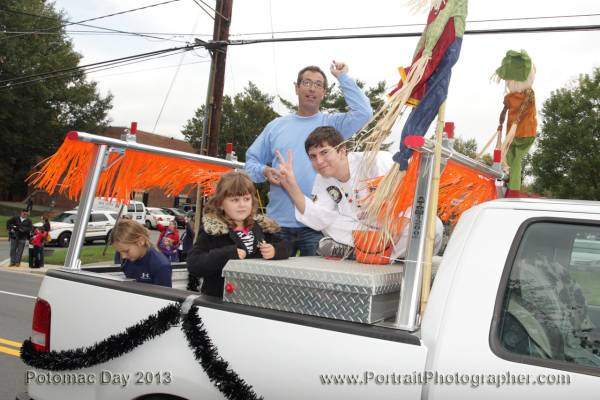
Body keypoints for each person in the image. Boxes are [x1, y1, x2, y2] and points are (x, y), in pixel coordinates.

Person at [245, 61, 373, 256]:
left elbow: (364, 113)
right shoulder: (276, 126)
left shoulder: (332, 126)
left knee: (316, 284)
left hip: (318, 226)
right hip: (276, 225)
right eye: (306, 83)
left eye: (319, 85)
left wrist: (343, 77)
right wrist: (264, 171)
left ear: (324, 93)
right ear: (296, 88)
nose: (312, 88)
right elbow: (250, 163)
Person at [276, 126, 444, 262]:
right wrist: (291, 185)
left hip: (396, 227)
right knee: (329, 223)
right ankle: (369, 252)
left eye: (324, 152)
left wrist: (398, 222)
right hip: (366, 233)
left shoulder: (376, 161)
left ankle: (361, 252)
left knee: (430, 225)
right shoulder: (323, 179)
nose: (319, 161)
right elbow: (319, 217)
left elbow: (417, 192)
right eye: (313, 156)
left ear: (342, 151)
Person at [187, 171, 291, 297]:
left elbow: (287, 246)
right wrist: (227, 254)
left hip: (254, 297)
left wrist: (275, 251)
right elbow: (194, 264)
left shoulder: (261, 227)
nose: (242, 205)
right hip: (220, 300)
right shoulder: (213, 230)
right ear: (220, 203)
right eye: (235, 200)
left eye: (246, 199)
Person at [111, 219, 172, 287]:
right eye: (119, 252)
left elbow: (164, 296)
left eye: (126, 251)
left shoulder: (160, 266)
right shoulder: (128, 259)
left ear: (141, 241)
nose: (123, 256)